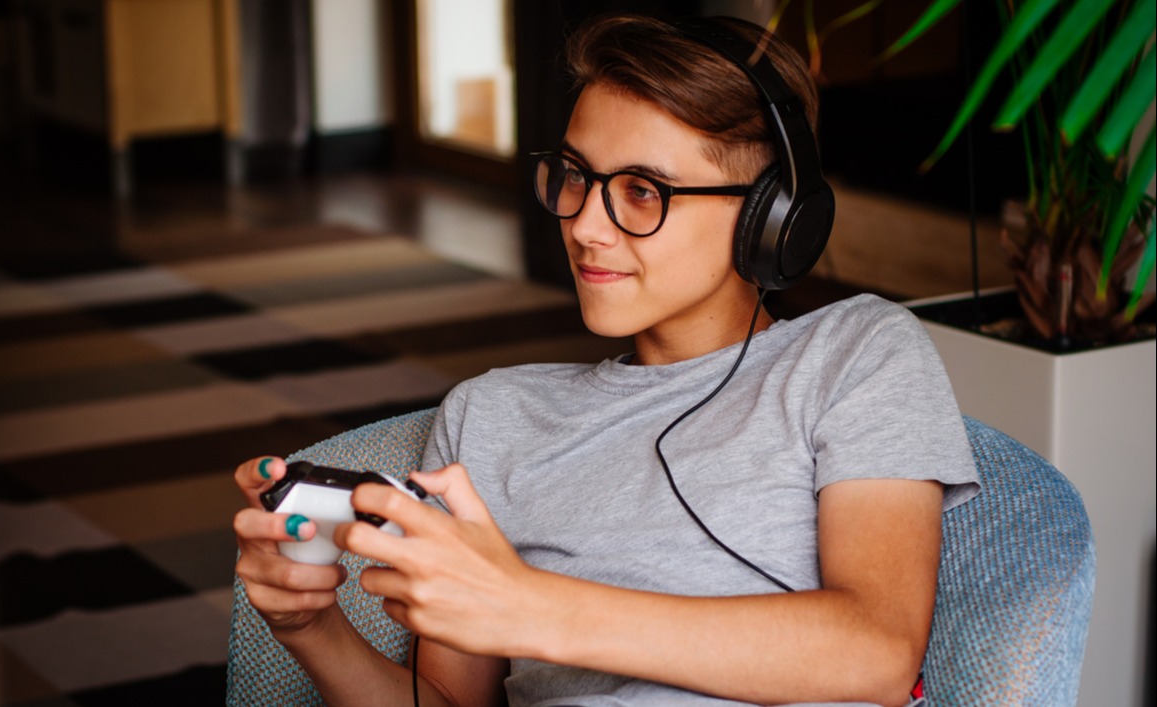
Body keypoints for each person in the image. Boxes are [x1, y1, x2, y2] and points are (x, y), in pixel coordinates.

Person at [232, 13, 979, 707]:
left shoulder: (855, 353)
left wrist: (532, 606)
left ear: (769, 217)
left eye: (641, 191)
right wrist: (312, 629)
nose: (586, 225)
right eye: (575, 176)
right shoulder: (491, 414)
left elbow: (875, 650)